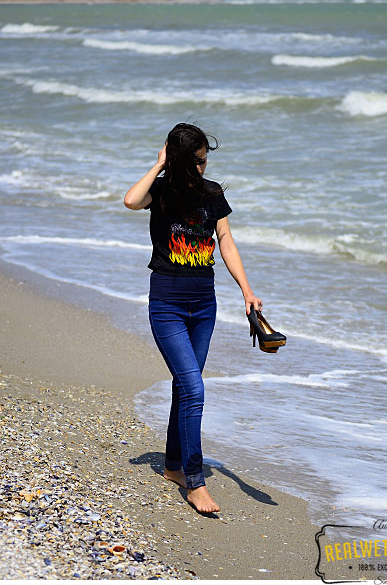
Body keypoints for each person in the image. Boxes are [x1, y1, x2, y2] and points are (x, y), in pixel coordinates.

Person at [124, 123, 262, 514]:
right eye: (197, 161)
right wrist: (159, 164)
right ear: (181, 161)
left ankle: (172, 466)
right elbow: (131, 201)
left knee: (187, 388)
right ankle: (195, 480)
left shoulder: (212, 193)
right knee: (194, 389)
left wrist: (247, 291)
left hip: (204, 306)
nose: (203, 167)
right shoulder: (163, 191)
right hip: (166, 305)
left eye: (205, 160)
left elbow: (226, 242)